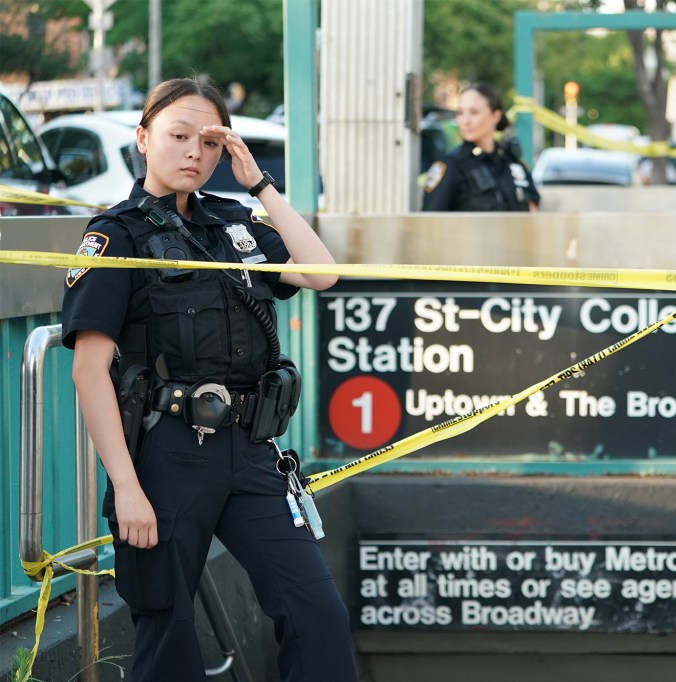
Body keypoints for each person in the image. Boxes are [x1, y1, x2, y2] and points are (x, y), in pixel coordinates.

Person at [61, 77, 357, 682]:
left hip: (251, 450)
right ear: (143, 139)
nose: (195, 152)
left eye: (211, 142)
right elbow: (89, 371)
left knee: (316, 614)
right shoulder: (115, 236)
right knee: (166, 633)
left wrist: (261, 185)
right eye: (178, 136)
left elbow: (322, 275)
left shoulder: (235, 226)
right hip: (166, 456)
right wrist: (127, 488)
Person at [421, 82, 540, 211]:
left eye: (474, 112)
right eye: (460, 113)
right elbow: (430, 221)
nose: (465, 121)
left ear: (495, 116)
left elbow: (532, 208)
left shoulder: (510, 161)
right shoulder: (450, 166)